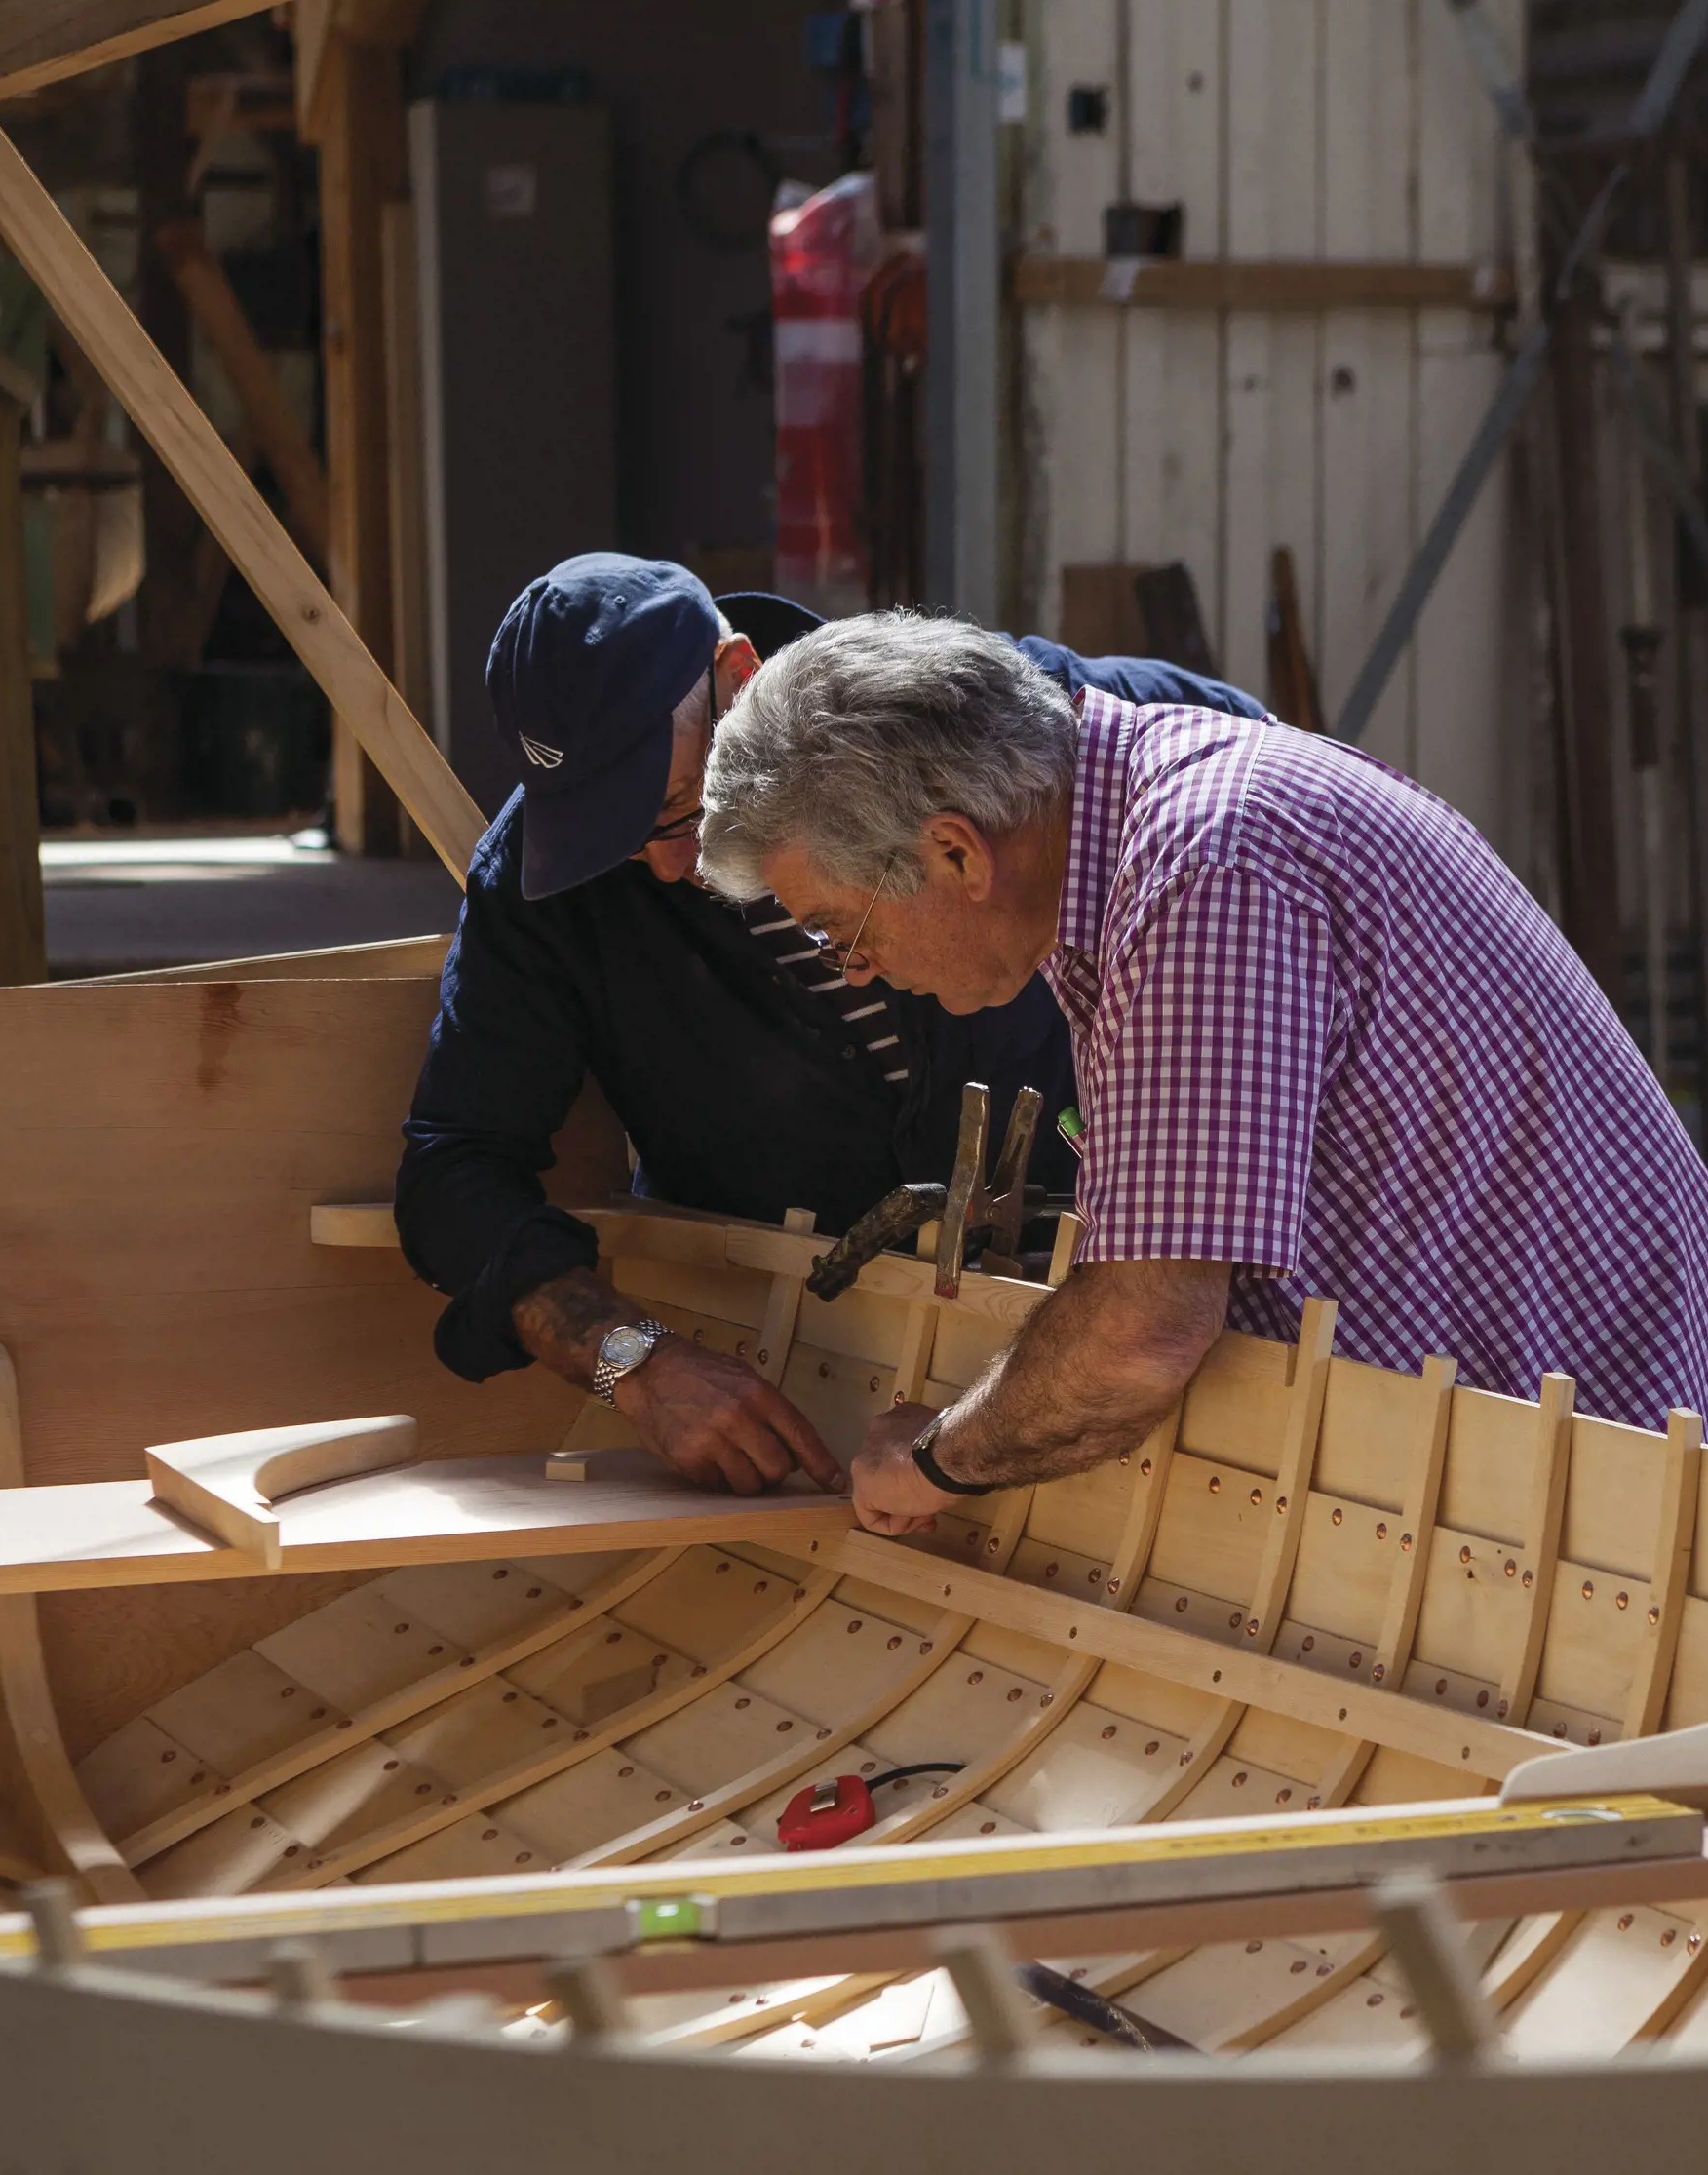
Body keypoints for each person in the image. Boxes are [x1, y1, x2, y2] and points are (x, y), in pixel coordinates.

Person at [694, 613, 1708, 1538]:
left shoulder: (1203, 871)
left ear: (954, 851)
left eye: (844, 934)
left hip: (1665, 1506)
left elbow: (1147, 1327)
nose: (867, 973)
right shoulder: (1162, 814)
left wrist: (942, 1457)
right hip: (1592, 1468)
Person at [395, 554, 1262, 1495]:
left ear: (737, 673)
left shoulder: (1024, 728)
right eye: (616, 837)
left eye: (679, 810)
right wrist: (630, 1360)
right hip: (805, 1395)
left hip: (1109, 1348)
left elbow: (1273, 810)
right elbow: (455, 1168)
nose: (665, 869)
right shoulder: (548, 884)